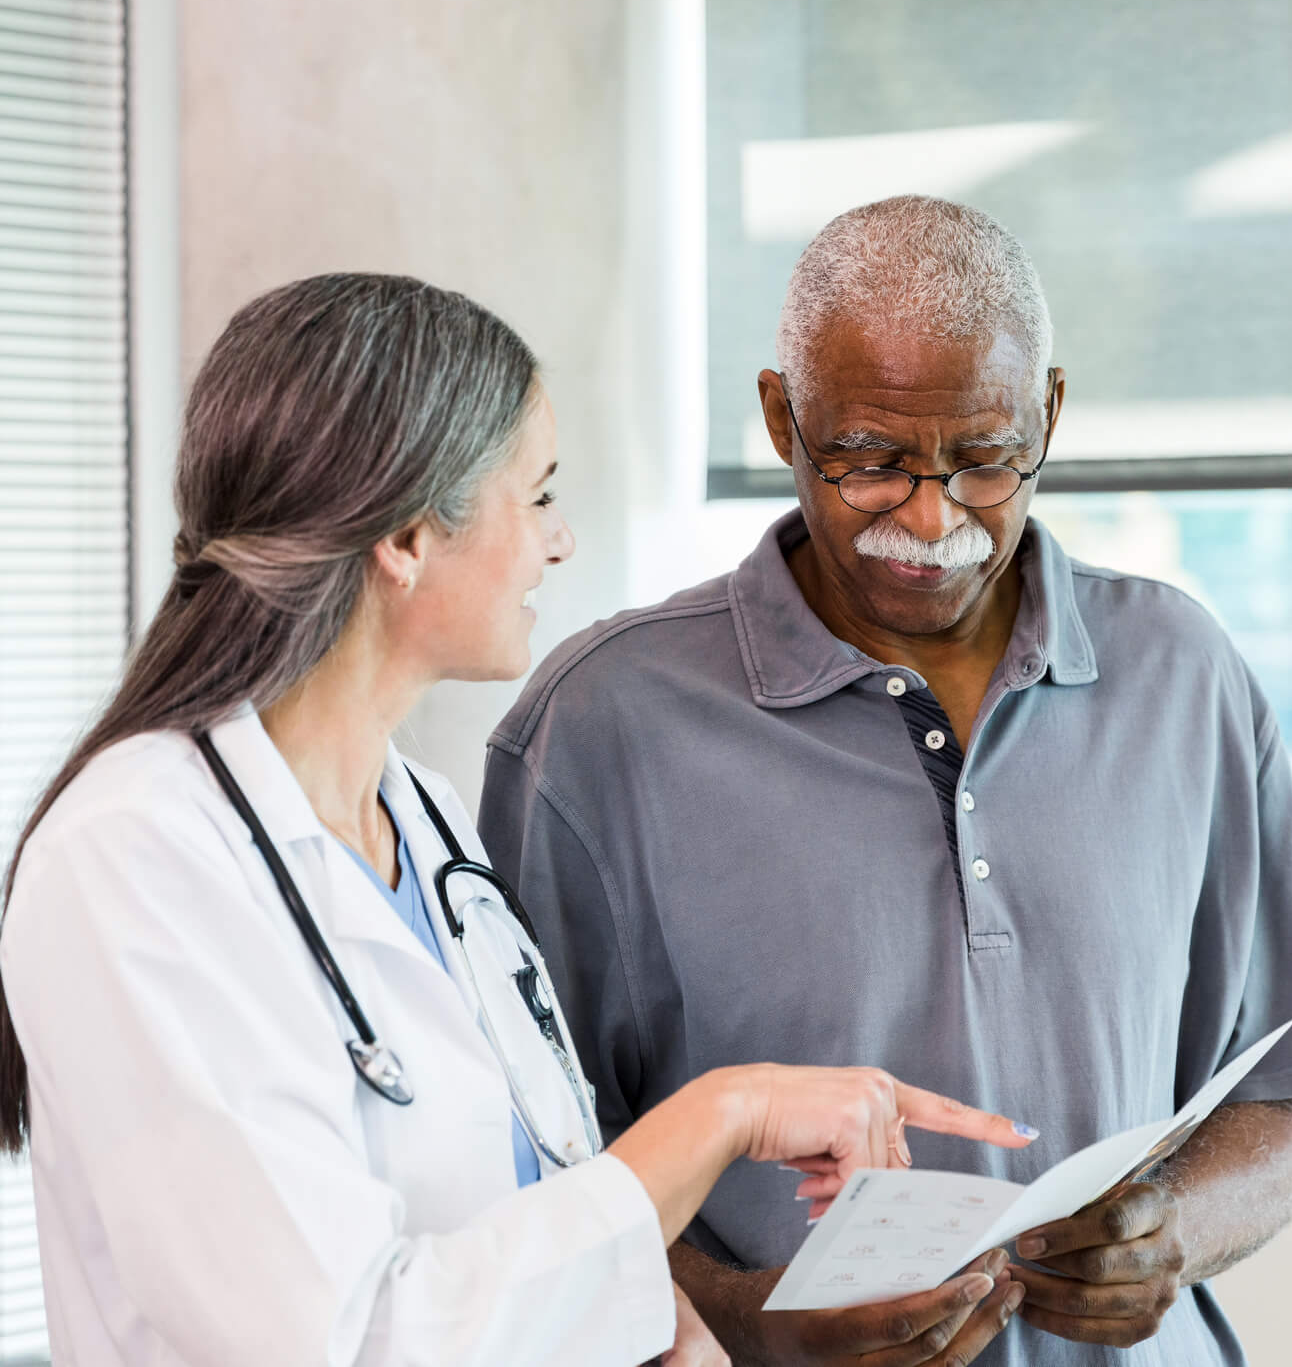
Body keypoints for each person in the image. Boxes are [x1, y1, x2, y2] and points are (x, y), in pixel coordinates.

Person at [0, 273, 1036, 1367]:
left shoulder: (428, 823)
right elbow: (333, 1342)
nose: (561, 541)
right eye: (536, 494)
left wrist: (663, 1320)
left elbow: (530, 1204)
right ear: (406, 536)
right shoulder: (137, 856)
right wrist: (724, 1114)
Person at [481, 196, 1292, 1366]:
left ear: (1049, 413)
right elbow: (526, 1167)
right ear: (781, 418)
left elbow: (1281, 1096)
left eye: (986, 461)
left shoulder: (1185, 676)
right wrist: (748, 1325)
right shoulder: (599, 726)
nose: (934, 517)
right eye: (872, 461)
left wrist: (1178, 1233)